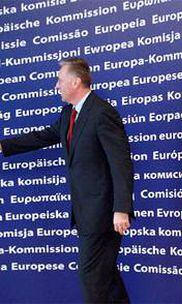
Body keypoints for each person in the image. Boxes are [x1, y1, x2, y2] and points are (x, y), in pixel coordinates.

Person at [0, 58, 134, 303]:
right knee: (105, 278)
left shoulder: (102, 112)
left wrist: (121, 209)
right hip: (87, 213)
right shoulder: (69, 113)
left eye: (60, 80)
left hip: (103, 214)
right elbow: (43, 136)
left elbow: (121, 162)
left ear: (76, 81)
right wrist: (3, 145)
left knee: (92, 278)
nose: (56, 86)